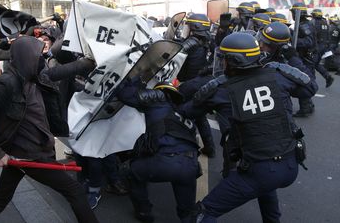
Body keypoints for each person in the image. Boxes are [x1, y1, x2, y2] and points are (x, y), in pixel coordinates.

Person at [179, 32, 316, 223]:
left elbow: (188, 111)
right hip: (290, 164)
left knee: (200, 214)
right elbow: (310, 88)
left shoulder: (221, 89)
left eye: (224, 59)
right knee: (266, 188)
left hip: (258, 170)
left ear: (232, 61)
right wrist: (290, 59)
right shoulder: (277, 75)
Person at [0, 36, 98, 223]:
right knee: (74, 190)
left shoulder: (34, 76)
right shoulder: (5, 84)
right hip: (29, 155)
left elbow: (61, 71)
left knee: (0, 200)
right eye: (38, 57)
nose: (42, 61)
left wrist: (88, 62)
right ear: (25, 57)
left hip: (23, 153)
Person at [117, 79, 201, 223]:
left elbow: (125, 95)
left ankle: (144, 212)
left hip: (167, 161)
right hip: (191, 165)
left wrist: (129, 80)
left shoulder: (158, 100)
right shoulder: (183, 116)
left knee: (128, 171)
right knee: (187, 213)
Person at [177, 13, 216, 157]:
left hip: (191, 84)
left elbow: (176, 55)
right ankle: (210, 147)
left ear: (195, 27)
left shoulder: (193, 43)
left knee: (183, 117)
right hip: (204, 82)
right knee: (200, 116)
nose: (185, 28)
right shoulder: (208, 40)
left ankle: (189, 152)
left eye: (188, 25)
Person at [290, 2, 318, 117]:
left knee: (303, 82)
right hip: (307, 57)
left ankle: (305, 108)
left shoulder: (304, 25)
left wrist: (293, 41)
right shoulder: (303, 24)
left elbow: (308, 42)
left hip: (306, 58)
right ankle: (309, 106)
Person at [311, 9, 334, 88]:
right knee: (316, 64)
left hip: (317, 47)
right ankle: (328, 77)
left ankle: (311, 83)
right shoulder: (325, 22)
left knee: (311, 64)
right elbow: (328, 35)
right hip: (324, 46)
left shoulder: (314, 22)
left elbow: (313, 36)